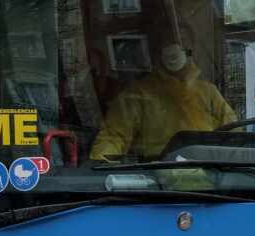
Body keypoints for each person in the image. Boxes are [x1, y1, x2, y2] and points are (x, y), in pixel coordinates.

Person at [89, 22, 236, 160]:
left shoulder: (208, 92)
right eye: (168, 42)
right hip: (159, 177)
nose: (175, 47)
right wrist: (99, 169)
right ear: (157, 50)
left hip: (209, 177)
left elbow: (232, 134)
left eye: (182, 41)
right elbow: (113, 137)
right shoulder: (138, 94)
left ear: (191, 49)